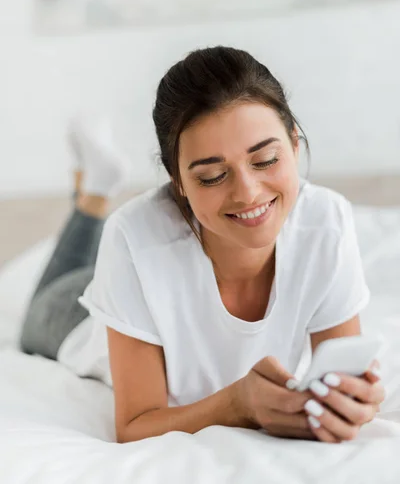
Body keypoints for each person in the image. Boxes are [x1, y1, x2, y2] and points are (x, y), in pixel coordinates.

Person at [19, 46, 385, 445]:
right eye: (212, 176)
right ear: (177, 182)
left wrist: (350, 402)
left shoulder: (326, 222)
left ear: (295, 146)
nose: (248, 194)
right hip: (76, 318)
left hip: (139, 276)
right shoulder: (133, 237)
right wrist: (237, 404)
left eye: (264, 160)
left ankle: (94, 187)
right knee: (41, 305)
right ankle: (94, 196)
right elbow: (135, 425)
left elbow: (340, 379)